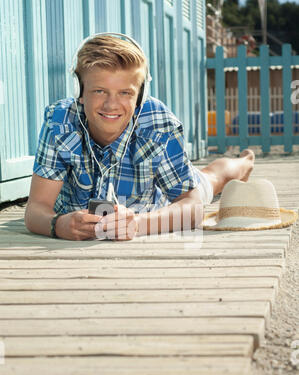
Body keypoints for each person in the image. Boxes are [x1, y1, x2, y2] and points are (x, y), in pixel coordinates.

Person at [25, 34, 254, 241]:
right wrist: (57, 224)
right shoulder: (59, 123)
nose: (111, 105)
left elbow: (192, 207)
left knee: (211, 180)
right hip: (77, 210)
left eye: (125, 93)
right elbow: (37, 208)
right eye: (99, 91)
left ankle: (244, 163)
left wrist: (138, 224)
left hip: (157, 204)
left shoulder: (159, 126)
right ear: (79, 91)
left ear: (140, 95)